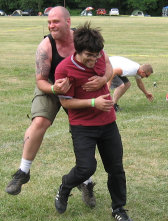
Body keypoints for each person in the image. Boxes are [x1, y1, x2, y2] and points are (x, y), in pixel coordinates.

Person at [5, 6, 113, 208]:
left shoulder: (83, 40)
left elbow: (107, 64)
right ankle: (23, 172)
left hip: (79, 89)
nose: (51, 25)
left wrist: (102, 80)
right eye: (49, 22)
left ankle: (85, 182)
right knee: (40, 121)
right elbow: (40, 81)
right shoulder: (45, 47)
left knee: (84, 131)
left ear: (68, 22)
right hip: (52, 87)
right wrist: (54, 88)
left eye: (55, 21)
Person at [54, 22, 132, 221]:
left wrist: (104, 78)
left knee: (115, 168)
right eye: (90, 55)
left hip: (108, 123)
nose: (94, 59)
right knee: (86, 168)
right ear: (78, 50)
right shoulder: (65, 69)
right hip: (82, 126)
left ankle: (118, 208)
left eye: (97, 54)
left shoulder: (99, 54)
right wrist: (93, 102)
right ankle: (65, 186)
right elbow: (65, 102)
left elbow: (108, 65)